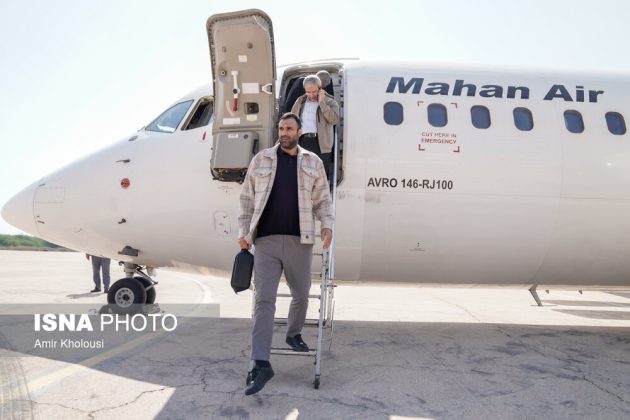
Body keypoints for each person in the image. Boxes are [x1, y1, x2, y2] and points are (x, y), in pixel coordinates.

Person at [238, 112, 334, 396]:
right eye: (281, 128)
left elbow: (323, 200)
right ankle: (261, 363)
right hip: (265, 241)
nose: (284, 132)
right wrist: (244, 233)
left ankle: (293, 334)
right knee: (263, 300)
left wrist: (327, 224)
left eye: (289, 128)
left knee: (302, 294)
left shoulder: (312, 162)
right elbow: (246, 197)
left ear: (300, 131)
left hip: (299, 240)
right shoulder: (262, 160)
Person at [290, 74, 340, 180]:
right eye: (308, 92)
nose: (311, 95)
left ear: (320, 89)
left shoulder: (330, 102)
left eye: (314, 92)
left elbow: (334, 119)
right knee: (302, 177)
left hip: (321, 144)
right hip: (303, 142)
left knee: (320, 178)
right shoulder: (300, 102)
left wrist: (322, 103)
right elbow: (291, 121)